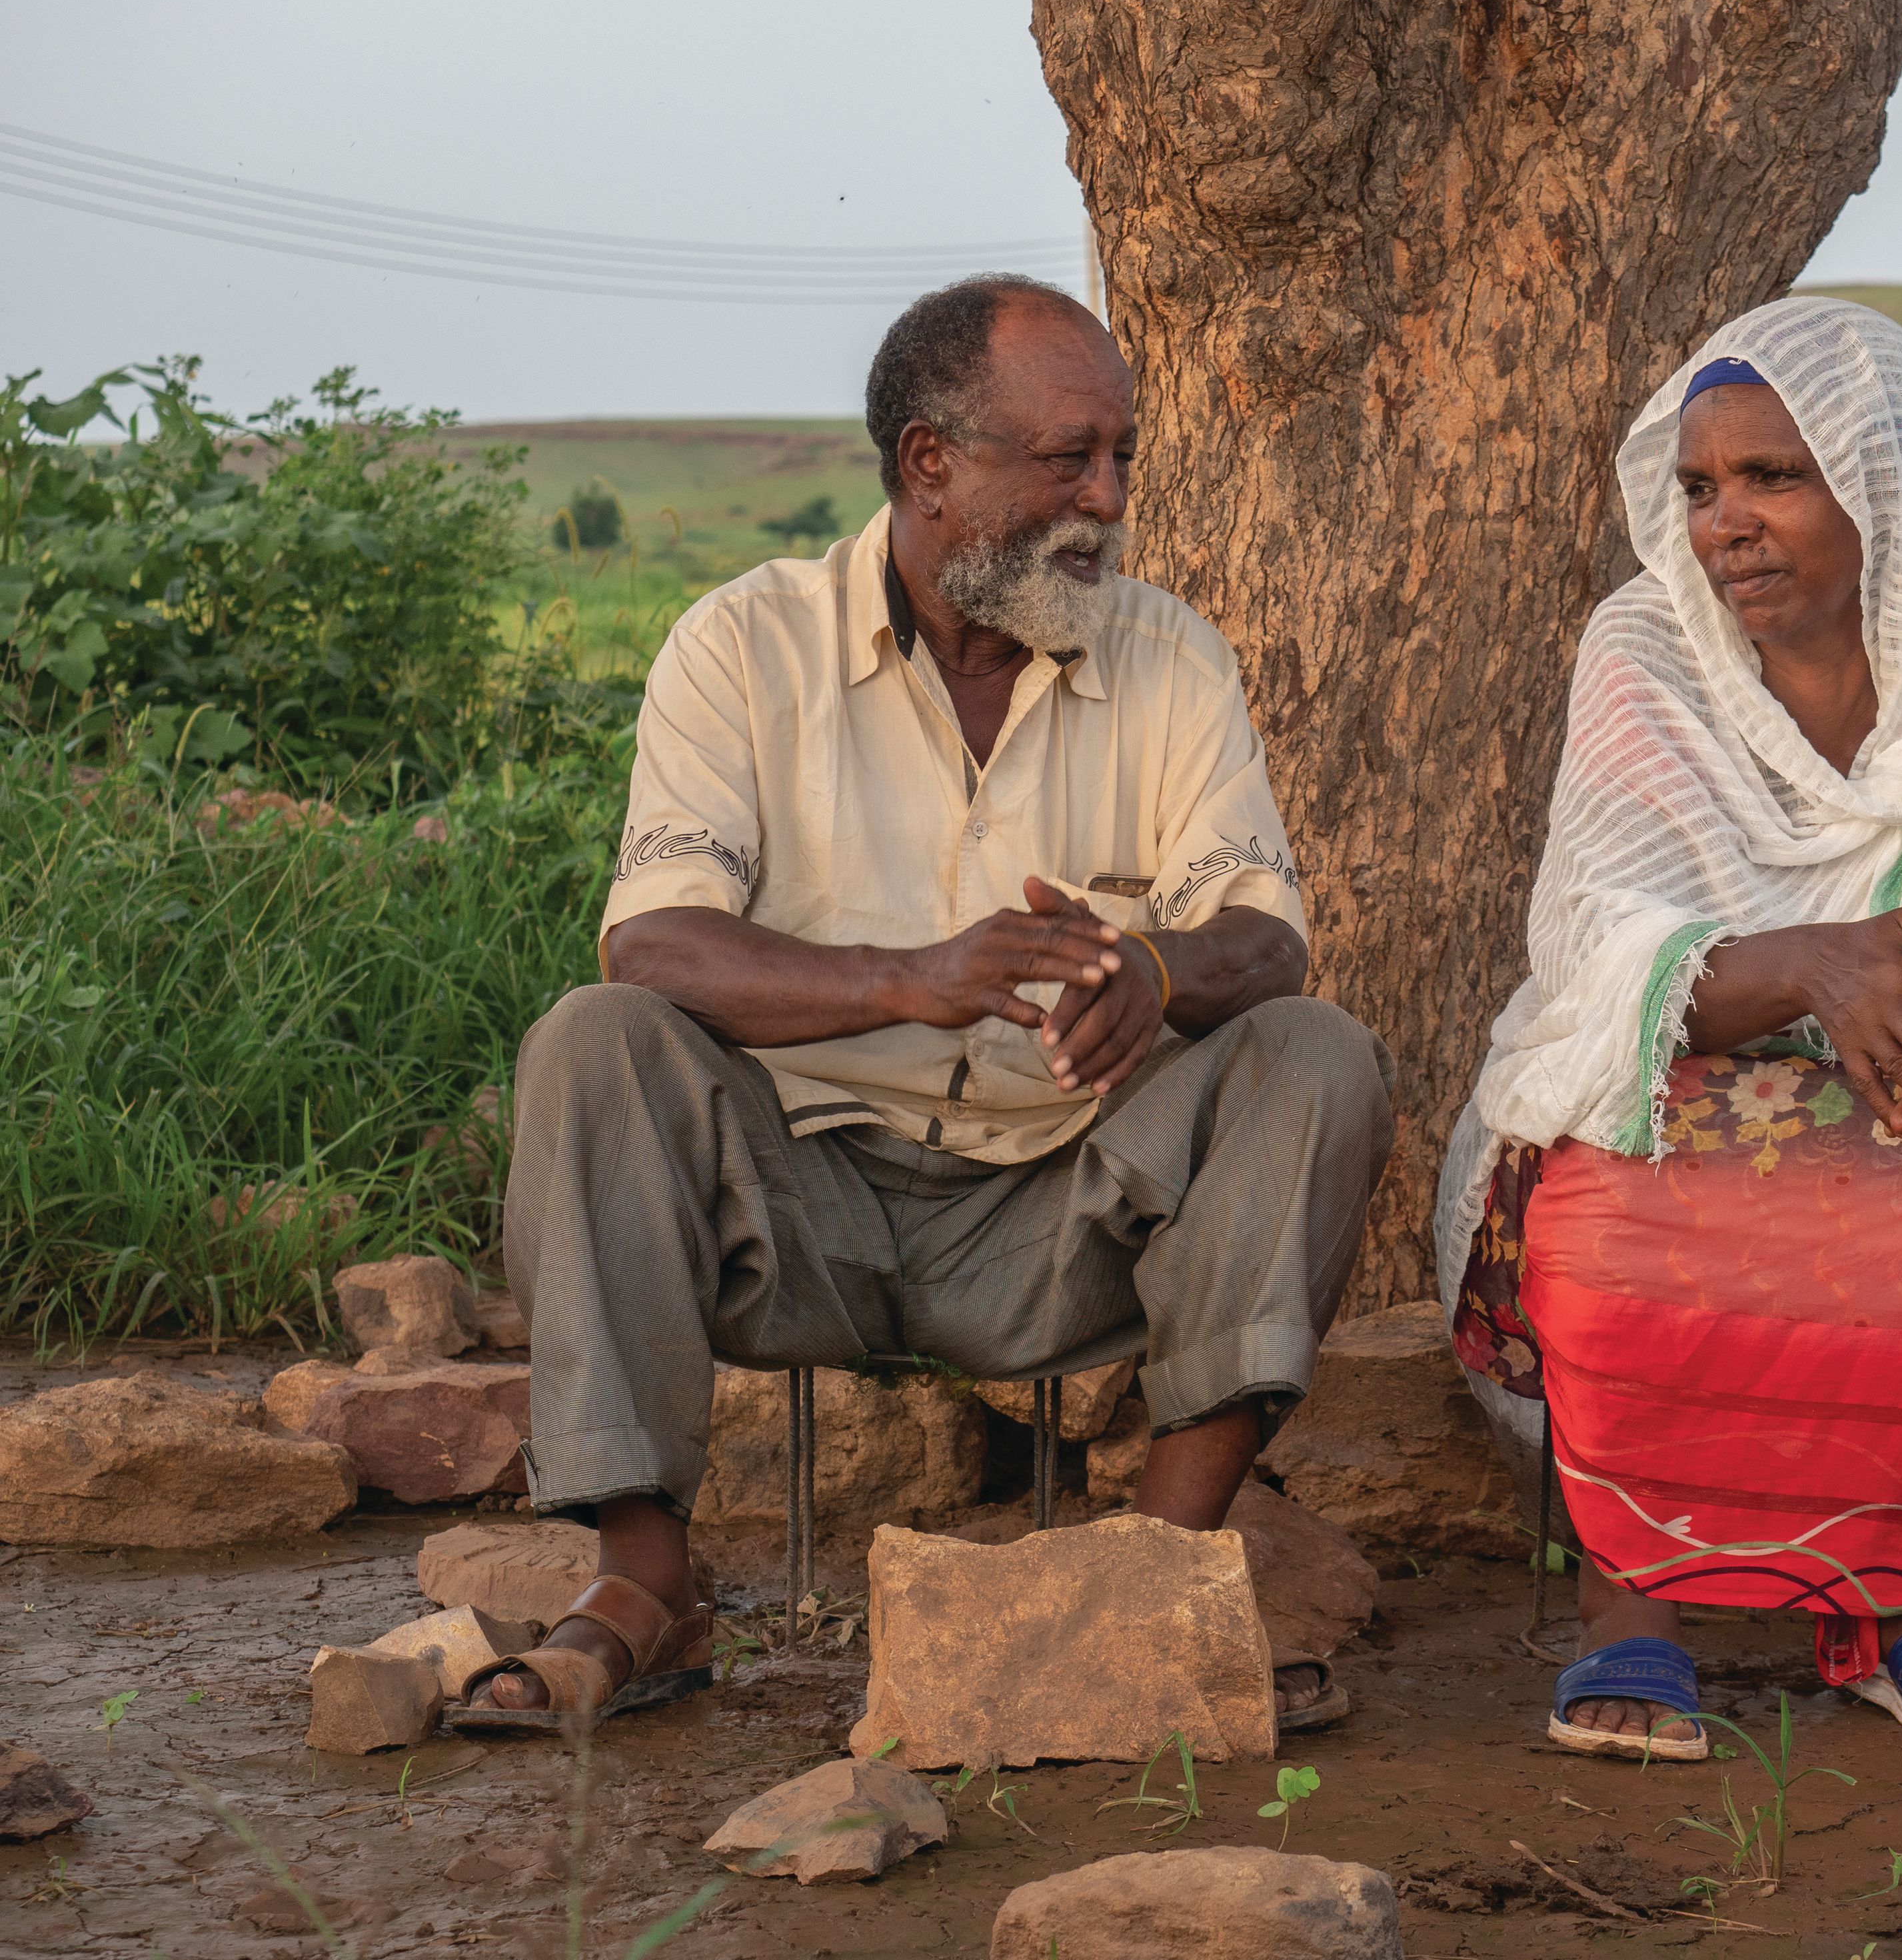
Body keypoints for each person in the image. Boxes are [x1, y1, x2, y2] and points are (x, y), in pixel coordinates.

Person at [453, 274, 1395, 1736]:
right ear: (927, 466)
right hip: (793, 1210)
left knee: (1317, 1055)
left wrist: (1153, 972)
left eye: (1121, 458)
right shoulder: (740, 648)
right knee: (592, 1039)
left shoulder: (1167, 657)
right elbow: (656, 943)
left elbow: (1263, 943)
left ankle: (1149, 1583)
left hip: (1065, 1215)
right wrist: (912, 979)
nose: (1105, 497)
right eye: (1065, 457)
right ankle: (646, 1587)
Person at [1434, 295, 1902, 1758]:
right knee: (1601, 1231)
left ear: (1881, 486)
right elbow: (1601, 936)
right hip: (1669, 1062)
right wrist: (1815, 969)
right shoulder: (1645, 652)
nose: (1727, 525)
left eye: (1774, 477)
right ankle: (1627, 1608)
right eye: (1702, 489)